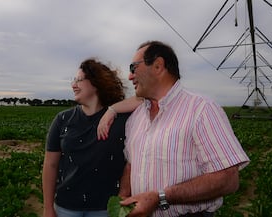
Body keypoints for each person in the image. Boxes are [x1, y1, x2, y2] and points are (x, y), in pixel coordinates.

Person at [97, 40, 250, 217]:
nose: (130, 76)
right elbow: (132, 165)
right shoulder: (136, 118)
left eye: (133, 67)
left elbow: (228, 180)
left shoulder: (202, 109)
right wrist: (123, 199)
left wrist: (160, 197)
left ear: (158, 66)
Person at [42, 58, 131, 217]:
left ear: (96, 83)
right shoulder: (62, 119)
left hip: (105, 209)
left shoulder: (120, 119)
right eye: (73, 80)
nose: (73, 85)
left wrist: (113, 110)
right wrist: (48, 208)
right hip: (66, 207)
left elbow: (147, 99)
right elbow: (51, 165)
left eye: (78, 80)